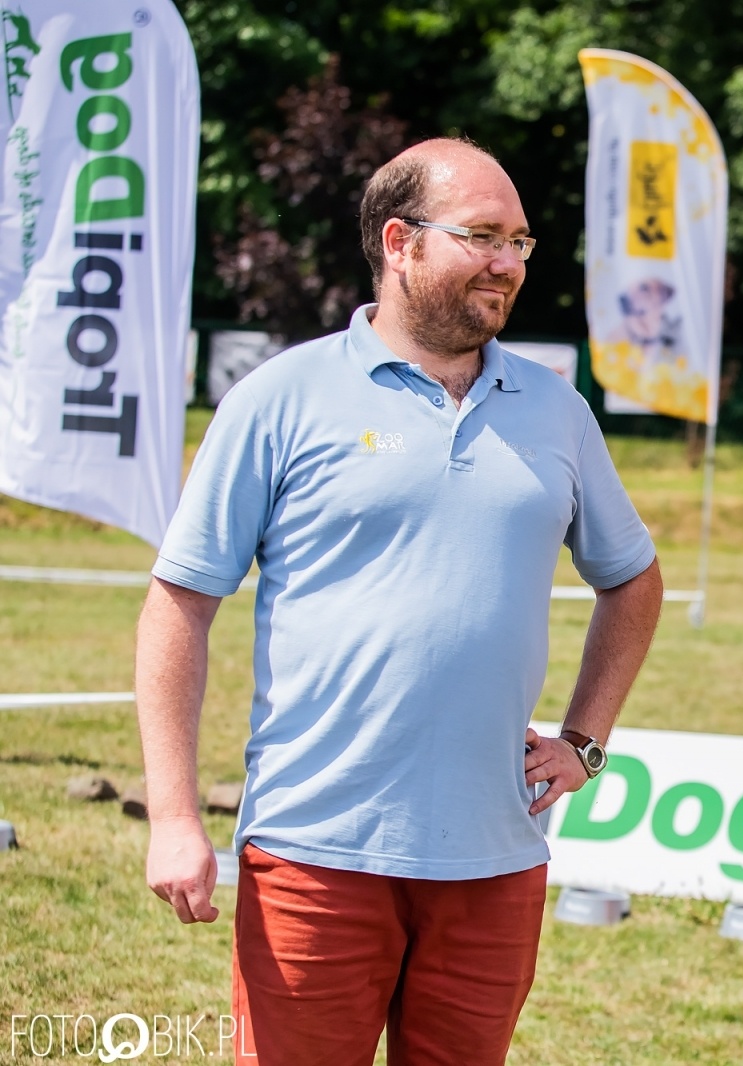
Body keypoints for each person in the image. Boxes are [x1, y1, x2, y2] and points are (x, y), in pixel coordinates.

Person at [135, 138, 663, 1065]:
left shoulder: (555, 409)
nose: (509, 262)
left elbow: (633, 580)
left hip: (498, 856)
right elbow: (179, 605)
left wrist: (585, 740)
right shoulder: (278, 399)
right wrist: (176, 818)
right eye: (484, 237)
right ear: (401, 242)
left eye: (521, 242)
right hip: (314, 849)